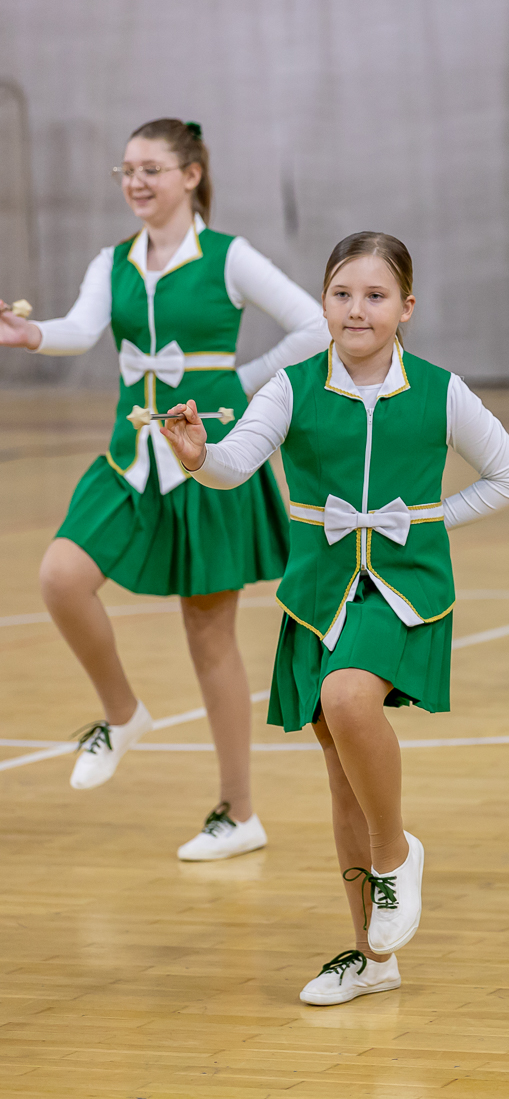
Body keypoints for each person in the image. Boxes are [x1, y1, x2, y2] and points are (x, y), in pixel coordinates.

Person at [164, 230, 509, 1006]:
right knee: (341, 783)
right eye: (341, 294)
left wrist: (428, 521)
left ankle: (398, 854)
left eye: (374, 296)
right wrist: (199, 456)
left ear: (406, 307)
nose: (356, 310)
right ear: (324, 302)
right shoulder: (292, 386)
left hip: (403, 589)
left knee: (347, 699)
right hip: (320, 593)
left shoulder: (440, 390)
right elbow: (235, 464)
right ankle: (373, 958)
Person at [0, 118, 327, 860]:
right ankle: (121, 714)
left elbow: (313, 325)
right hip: (128, 456)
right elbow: (84, 329)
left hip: (202, 459)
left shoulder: (229, 257)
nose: (136, 183)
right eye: (125, 171)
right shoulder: (111, 261)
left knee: (209, 637)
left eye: (150, 168)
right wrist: (32, 335)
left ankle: (239, 812)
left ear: (189, 174)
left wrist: (236, 388)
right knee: (60, 576)